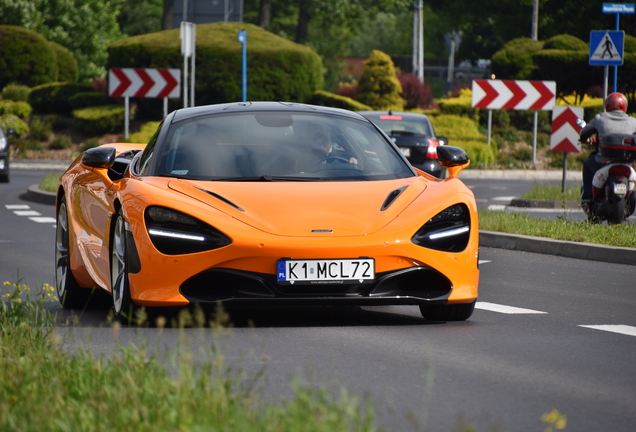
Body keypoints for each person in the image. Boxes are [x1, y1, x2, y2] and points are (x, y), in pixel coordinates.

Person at [579, 92, 636, 216]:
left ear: (607, 106)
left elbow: (584, 133)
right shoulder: (632, 121)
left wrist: (584, 139)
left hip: (602, 160)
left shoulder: (599, 118)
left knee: (588, 164)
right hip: (627, 160)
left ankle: (587, 198)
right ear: (624, 106)